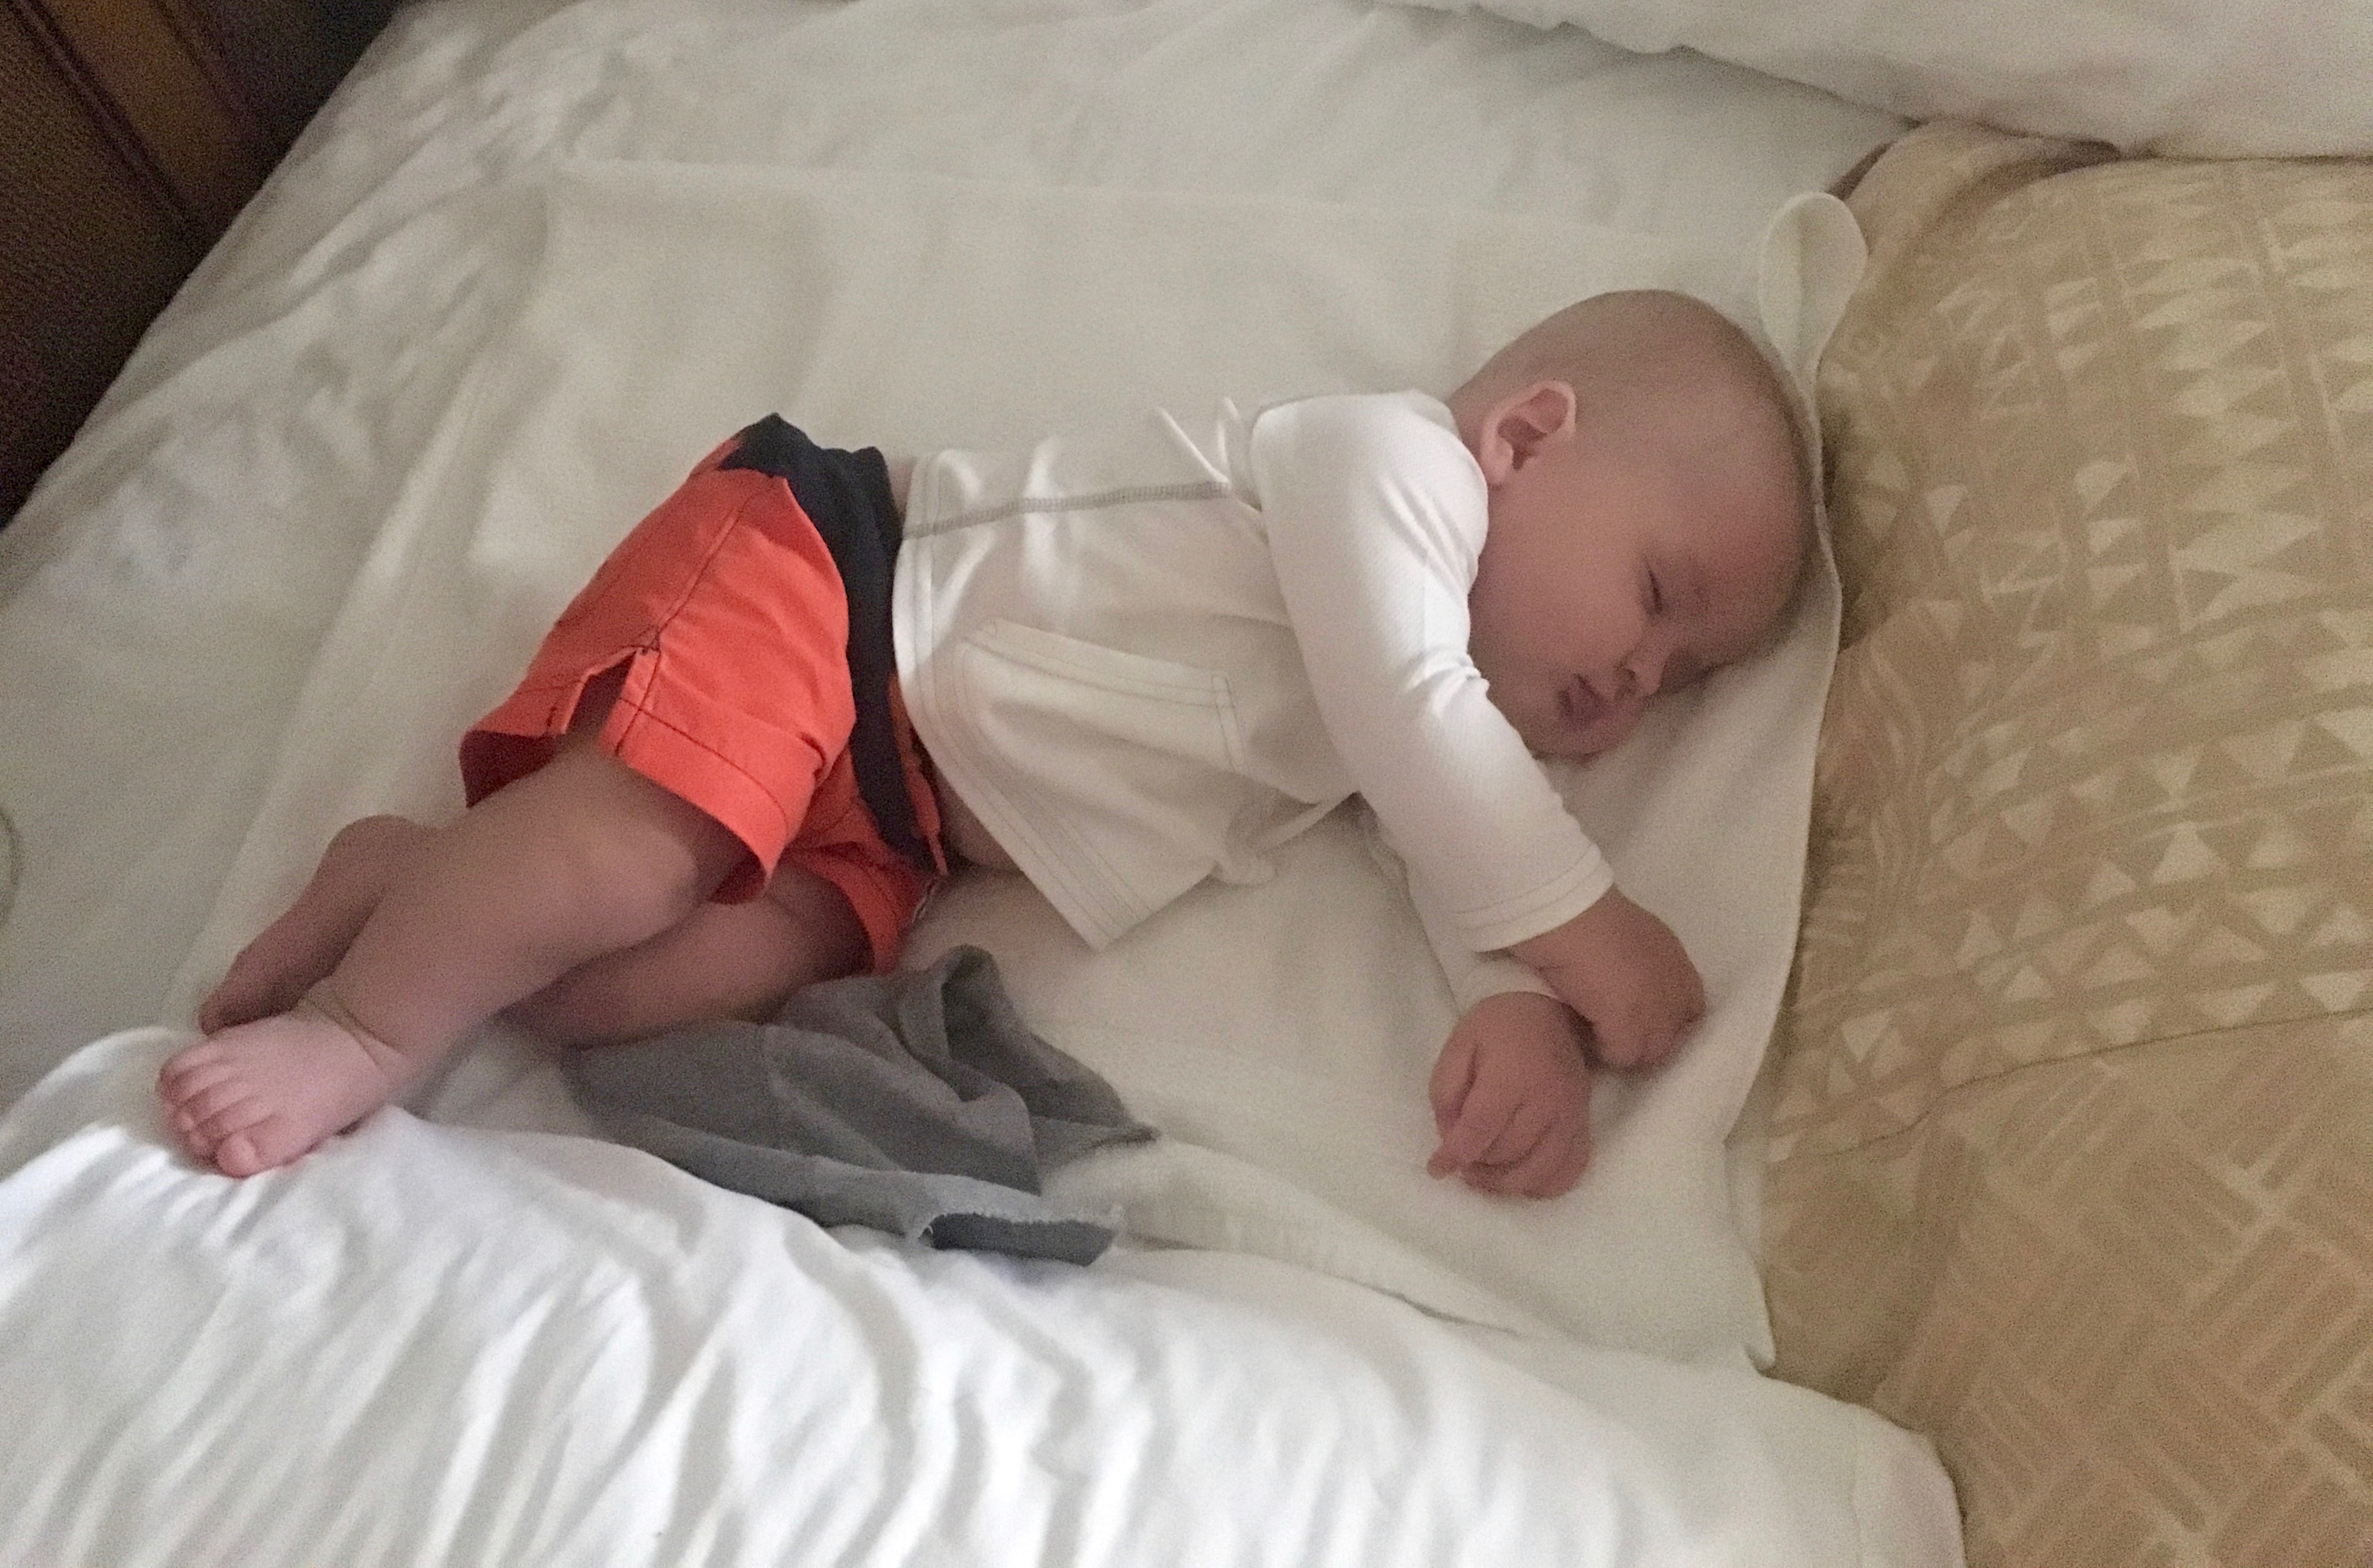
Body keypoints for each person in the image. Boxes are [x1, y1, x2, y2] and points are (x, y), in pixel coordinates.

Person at [157, 289, 1812, 1198]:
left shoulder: (1431, 723)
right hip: (840, 589)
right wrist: (1583, 922)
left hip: (910, 820)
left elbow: (1432, 820)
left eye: (1676, 680)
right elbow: (1415, 713)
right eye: (1657, 596)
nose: (1636, 677)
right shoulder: (1388, 468)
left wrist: (1514, 1000)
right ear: (1526, 438)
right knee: (633, 853)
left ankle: (405, 879)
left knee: (619, 988)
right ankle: (359, 1029)